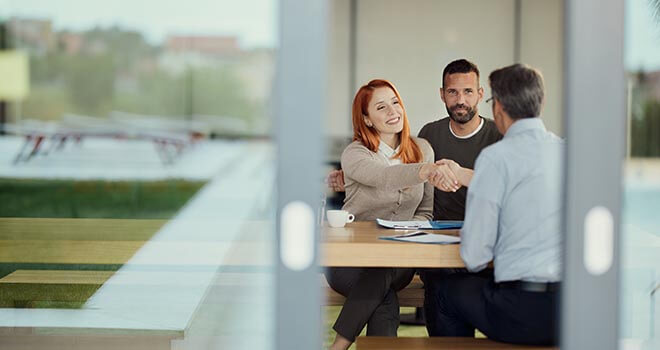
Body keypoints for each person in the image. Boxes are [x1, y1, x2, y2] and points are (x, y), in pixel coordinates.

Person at [424, 63, 563, 345]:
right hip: (570, 310)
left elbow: (475, 258)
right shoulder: (565, 151)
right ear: (541, 102)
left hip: (521, 311)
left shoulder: (496, 158)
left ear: (497, 105)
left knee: (444, 291)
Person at [327, 79, 444, 350]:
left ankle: (336, 347)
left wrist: (403, 230)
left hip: (398, 259)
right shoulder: (355, 153)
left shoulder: (423, 149)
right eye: (381, 107)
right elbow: (382, 176)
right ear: (367, 119)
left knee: (382, 274)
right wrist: (423, 171)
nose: (393, 111)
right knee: (385, 300)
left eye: (395, 102)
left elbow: (426, 212)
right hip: (349, 260)